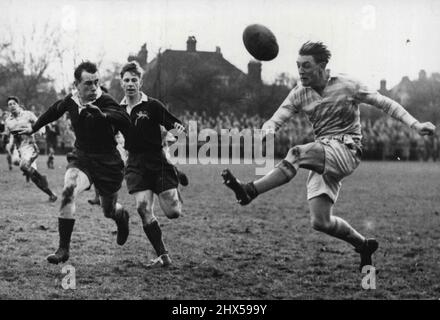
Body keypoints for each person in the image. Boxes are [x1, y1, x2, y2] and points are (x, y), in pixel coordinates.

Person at [222, 41, 436, 271]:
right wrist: (268, 130)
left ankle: (250, 190)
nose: (301, 71)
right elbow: (276, 118)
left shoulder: (347, 85)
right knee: (320, 221)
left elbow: (386, 103)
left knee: (297, 153)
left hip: (347, 149)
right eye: (298, 66)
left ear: (323, 66)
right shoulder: (299, 93)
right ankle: (363, 245)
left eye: (306, 66)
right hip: (324, 152)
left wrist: (415, 124)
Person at [19, 61, 132, 264]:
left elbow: (123, 117)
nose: (93, 88)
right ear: (77, 84)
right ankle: (63, 249)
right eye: (88, 83)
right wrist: (33, 128)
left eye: (96, 82)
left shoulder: (104, 100)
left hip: (108, 162)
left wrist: (103, 115)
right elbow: (53, 111)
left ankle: (121, 216)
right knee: (68, 189)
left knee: (108, 210)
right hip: (83, 157)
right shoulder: (71, 100)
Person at [119, 61, 185, 268]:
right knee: (142, 207)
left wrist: (170, 142)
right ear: (121, 83)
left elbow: (178, 128)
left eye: (134, 80)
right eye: (126, 80)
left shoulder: (152, 105)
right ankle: (162, 254)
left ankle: (174, 182)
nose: (130, 84)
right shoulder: (117, 110)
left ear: (140, 82)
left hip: (157, 160)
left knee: (173, 212)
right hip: (135, 163)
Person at [4, 96, 57, 200]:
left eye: (14, 103)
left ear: (18, 104)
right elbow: (9, 134)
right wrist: (8, 142)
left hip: (30, 146)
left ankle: (41, 177)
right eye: (9, 104)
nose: (12, 106)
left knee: (23, 165)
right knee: (32, 177)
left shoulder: (28, 114)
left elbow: (40, 123)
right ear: (8, 107)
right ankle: (52, 195)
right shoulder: (8, 121)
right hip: (19, 148)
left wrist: (41, 132)